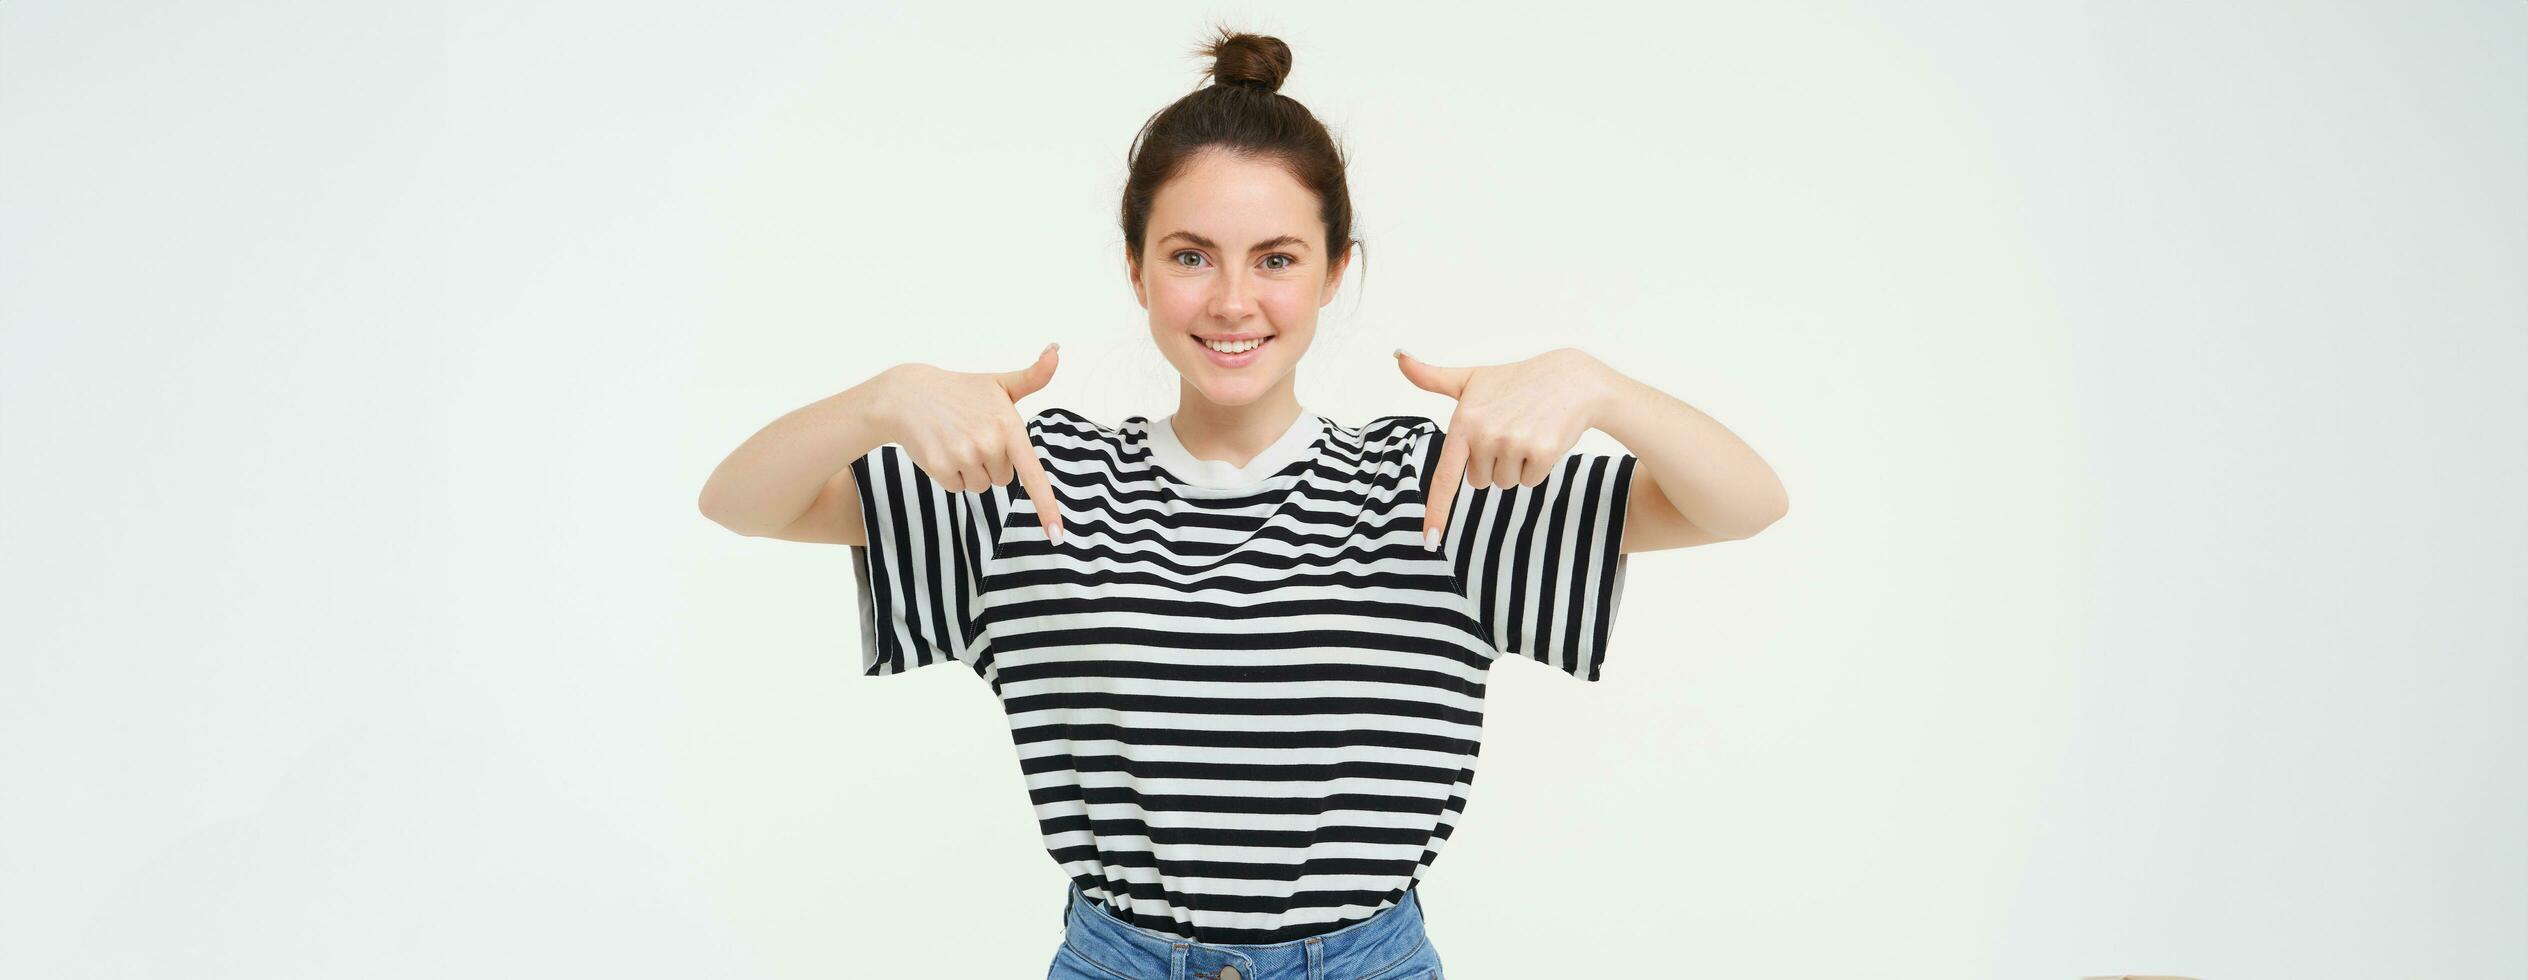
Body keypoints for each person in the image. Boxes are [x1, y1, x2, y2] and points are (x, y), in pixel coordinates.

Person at [698, 26, 1788, 980]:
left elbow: (1742, 501)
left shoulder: (1436, 485)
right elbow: (740, 500)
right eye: (1189, 255)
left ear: (1331, 273)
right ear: (1134, 268)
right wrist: (879, 398)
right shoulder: (1030, 482)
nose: (1231, 300)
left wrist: (1597, 384)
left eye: (1275, 258)